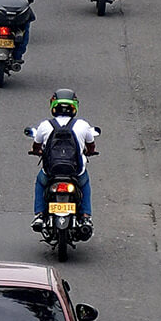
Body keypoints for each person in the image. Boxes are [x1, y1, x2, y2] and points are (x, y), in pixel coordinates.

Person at [30, 88, 99, 233]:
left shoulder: (45, 126)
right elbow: (91, 145)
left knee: (40, 183)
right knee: (85, 184)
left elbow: (36, 145)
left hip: (51, 172)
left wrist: (37, 151)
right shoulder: (82, 125)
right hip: (76, 172)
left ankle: (40, 216)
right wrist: (89, 151)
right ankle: (86, 217)